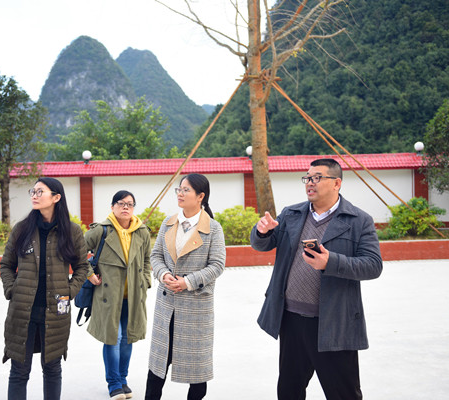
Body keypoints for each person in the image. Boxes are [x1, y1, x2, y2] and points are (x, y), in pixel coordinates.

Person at [250, 158, 383, 400]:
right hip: (291, 319)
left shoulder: (358, 220)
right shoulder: (291, 214)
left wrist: (330, 262)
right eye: (308, 178)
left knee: (343, 394)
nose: (310, 183)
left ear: (337, 183)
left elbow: (373, 266)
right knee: (289, 391)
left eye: (317, 178)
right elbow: (264, 244)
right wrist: (262, 231)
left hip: (334, 323)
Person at [0, 177, 88, 400]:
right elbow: (6, 265)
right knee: (19, 371)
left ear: (56, 198)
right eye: (33, 191)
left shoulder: (72, 231)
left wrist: (70, 291)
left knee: (52, 368)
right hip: (22, 311)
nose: (34, 195)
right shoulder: (22, 229)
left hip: (56, 311)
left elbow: (82, 267)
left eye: (40, 192)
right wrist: (11, 290)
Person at [145, 173, 226, 400]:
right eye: (179, 189)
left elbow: (217, 265)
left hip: (196, 308)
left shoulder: (214, 228)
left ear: (200, 196)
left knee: (197, 373)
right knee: (157, 368)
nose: (180, 194)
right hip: (166, 306)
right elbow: (155, 255)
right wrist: (163, 274)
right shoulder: (168, 222)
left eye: (186, 190)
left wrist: (187, 282)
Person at [84, 190, 152, 400]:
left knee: (127, 338)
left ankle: (123, 380)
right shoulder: (101, 230)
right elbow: (76, 252)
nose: (125, 207)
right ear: (112, 207)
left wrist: (146, 281)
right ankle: (114, 383)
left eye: (130, 204)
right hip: (108, 296)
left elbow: (147, 260)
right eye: (121, 203)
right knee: (114, 338)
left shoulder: (142, 232)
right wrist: (89, 274)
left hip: (133, 296)